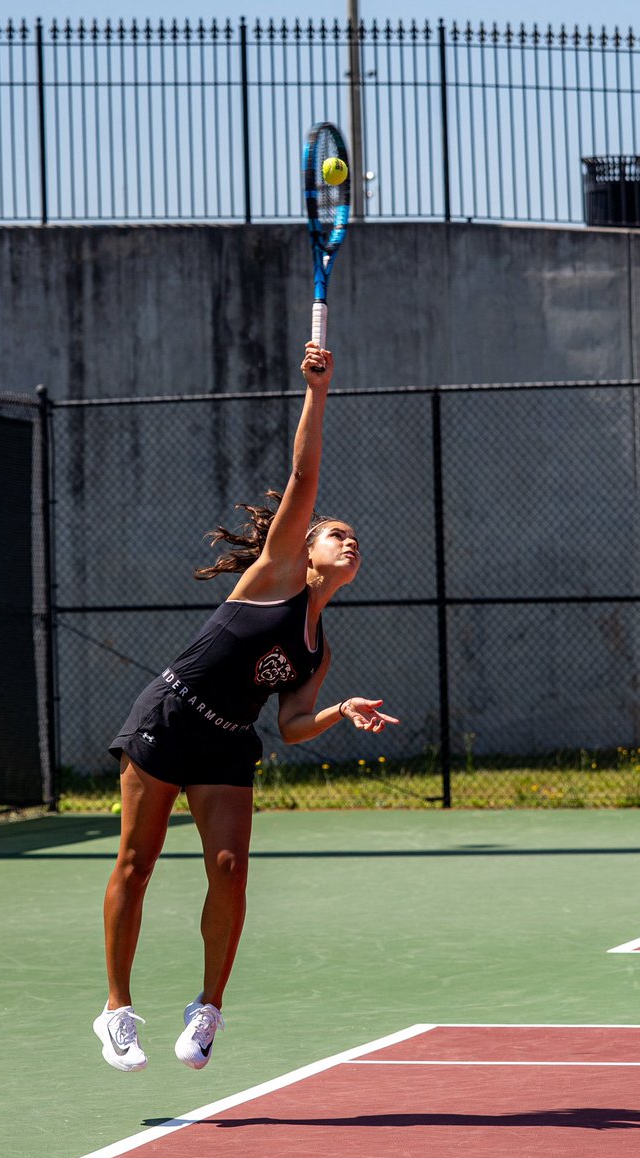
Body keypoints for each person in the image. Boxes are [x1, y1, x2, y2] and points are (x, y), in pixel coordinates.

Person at [93, 343, 399, 1074]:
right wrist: (317, 393)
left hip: (228, 743)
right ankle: (114, 1012)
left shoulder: (317, 648)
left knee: (229, 869)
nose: (347, 541)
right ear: (304, 547)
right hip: (171, 717)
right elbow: (304, 474)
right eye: (335, 534)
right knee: (138, 863)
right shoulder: (275, 576)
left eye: (353, 538)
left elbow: (290, 726)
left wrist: (340, 709)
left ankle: (207, 1010)